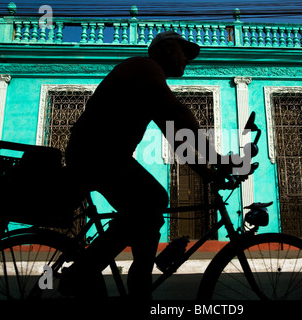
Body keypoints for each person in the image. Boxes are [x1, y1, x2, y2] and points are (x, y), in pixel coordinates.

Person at [63, 31, 227, 299]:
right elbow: (180, 115)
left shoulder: (150, 84)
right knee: (153, 198)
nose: (187, 59)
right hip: (97, 155)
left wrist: (209, 173)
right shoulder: (144, 67)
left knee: (148, 215)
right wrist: (221, 159)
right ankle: (85, 270)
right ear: (166, 49)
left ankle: (139, 284)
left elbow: (180, 141)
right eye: (183, 51)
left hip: (103, 156)